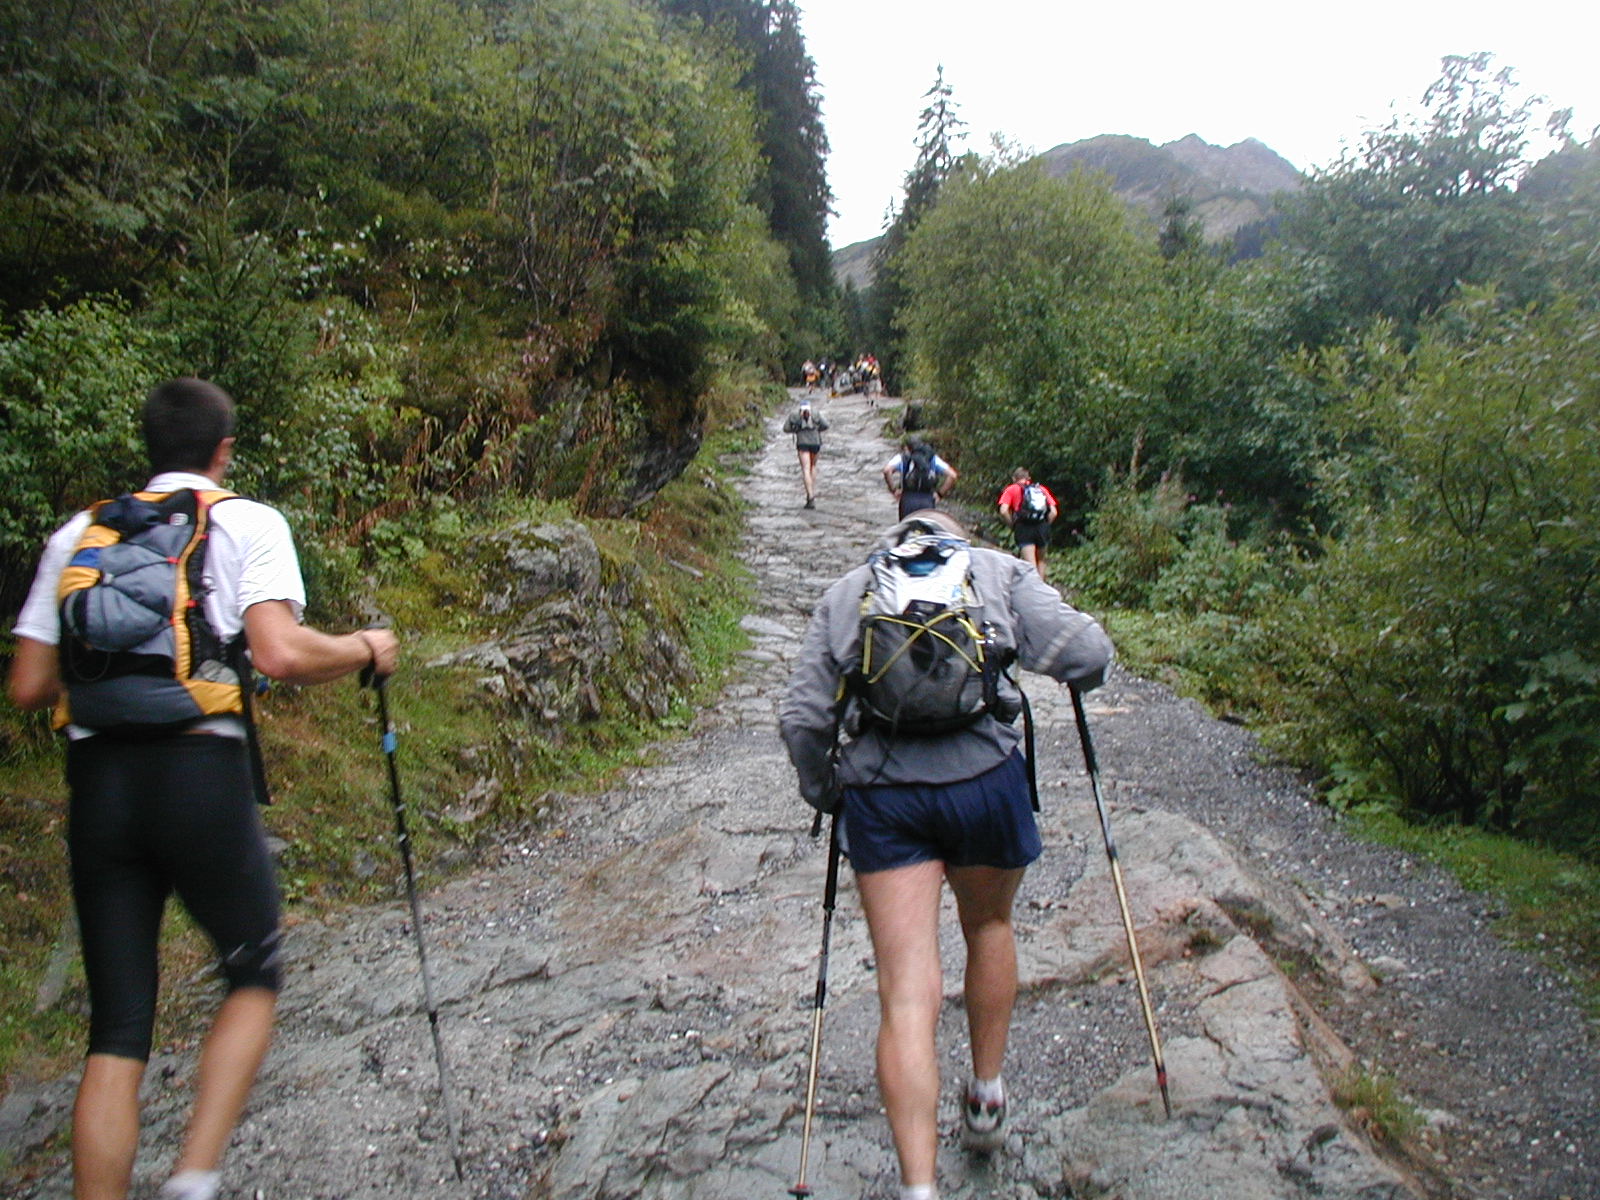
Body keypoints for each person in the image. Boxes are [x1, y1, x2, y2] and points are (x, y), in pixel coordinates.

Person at [7, 378, 400, 1200]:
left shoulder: (79, 534)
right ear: (223, 452)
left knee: (117, 1029)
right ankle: (192, 1178)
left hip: (100, 786)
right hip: (198, 773)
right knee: (252, 973)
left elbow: (29, 686)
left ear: (149, 449)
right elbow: (280, 654)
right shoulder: (246, 521)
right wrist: (365, 647)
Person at [778, 510, 1113, 1200]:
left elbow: (803, 718)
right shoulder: (999, 571)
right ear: (955, 535)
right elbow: (1087, 656)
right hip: (986, 785)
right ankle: (986, 1098)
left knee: (906, 991)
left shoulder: (851, 592)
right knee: (988, 927)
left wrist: (825, 790)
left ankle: (920, 1187)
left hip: (886, 798)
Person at [997, 467, 1059, 581]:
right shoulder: (1041, 489)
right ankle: (1041, 590)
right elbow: (1054, 513)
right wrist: (1046, 525)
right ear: (1028, 478)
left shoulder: (1011, 489)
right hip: (1042, 527)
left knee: (1030, 566)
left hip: (1024, 528)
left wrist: (1012, 524)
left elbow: (1003, 510)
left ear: (1014, 478)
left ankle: (1033, 593)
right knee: (1041, 560)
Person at [883, 436, 957, 520]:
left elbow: (887, 470)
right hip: (927, 500)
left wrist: (893, 490)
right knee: (926, 529)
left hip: (908, 500)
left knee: (906, 529)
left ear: (907, 447)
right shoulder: (932, 458)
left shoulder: (902, 458)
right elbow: (952, 475)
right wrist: (940, 494)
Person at [782, 399, 830, 509]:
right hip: (815, 442)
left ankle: (810, 496)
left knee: (805, 469)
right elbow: (826, 425)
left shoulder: (794, 416)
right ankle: (811, 490)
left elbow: (786, 428)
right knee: (813, 466)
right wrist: (817, 429)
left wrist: (796, 430)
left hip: (802, 443)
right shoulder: (816, 413)